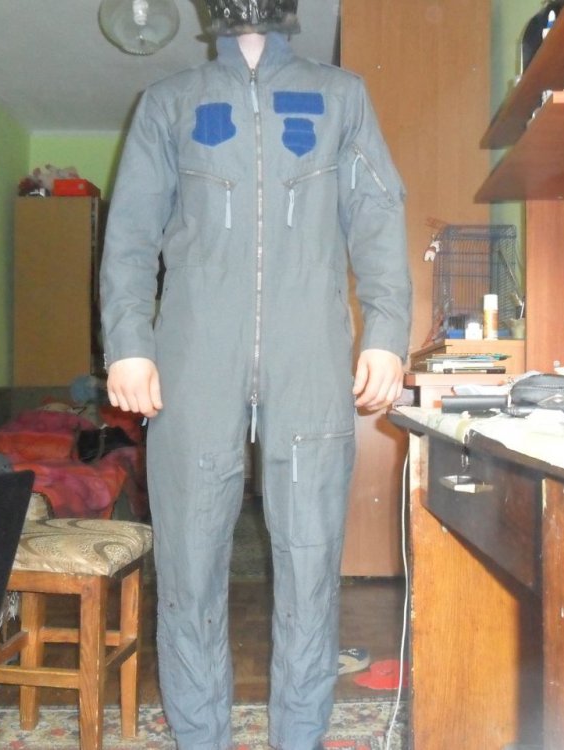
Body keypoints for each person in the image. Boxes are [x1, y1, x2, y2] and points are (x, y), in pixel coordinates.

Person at [100, 2, 411, 748]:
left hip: (309, 359)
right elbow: (132, 230)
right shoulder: (167, 102)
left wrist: (387, 332)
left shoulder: (341, 95)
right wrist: (128, 342)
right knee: (188, 571)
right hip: (192, 359)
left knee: (310, 570)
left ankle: (298, 738)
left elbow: (377, 212)